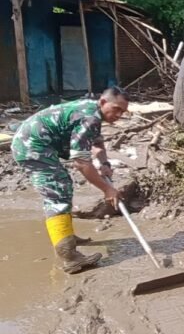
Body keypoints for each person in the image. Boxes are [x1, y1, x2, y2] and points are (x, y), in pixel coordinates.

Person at [12, 87, 129, 274]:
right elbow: (81, 163)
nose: (119, 115)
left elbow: (97, 144)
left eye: (123, 111)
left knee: (62, 185)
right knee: (57, 190)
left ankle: (65, 235)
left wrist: (104, 163)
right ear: (103, 102)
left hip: (39, 144)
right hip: (31, 145)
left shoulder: (95, 114)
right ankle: (69, 257)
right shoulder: (89, 117)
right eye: (116, 109)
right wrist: (107, 189)